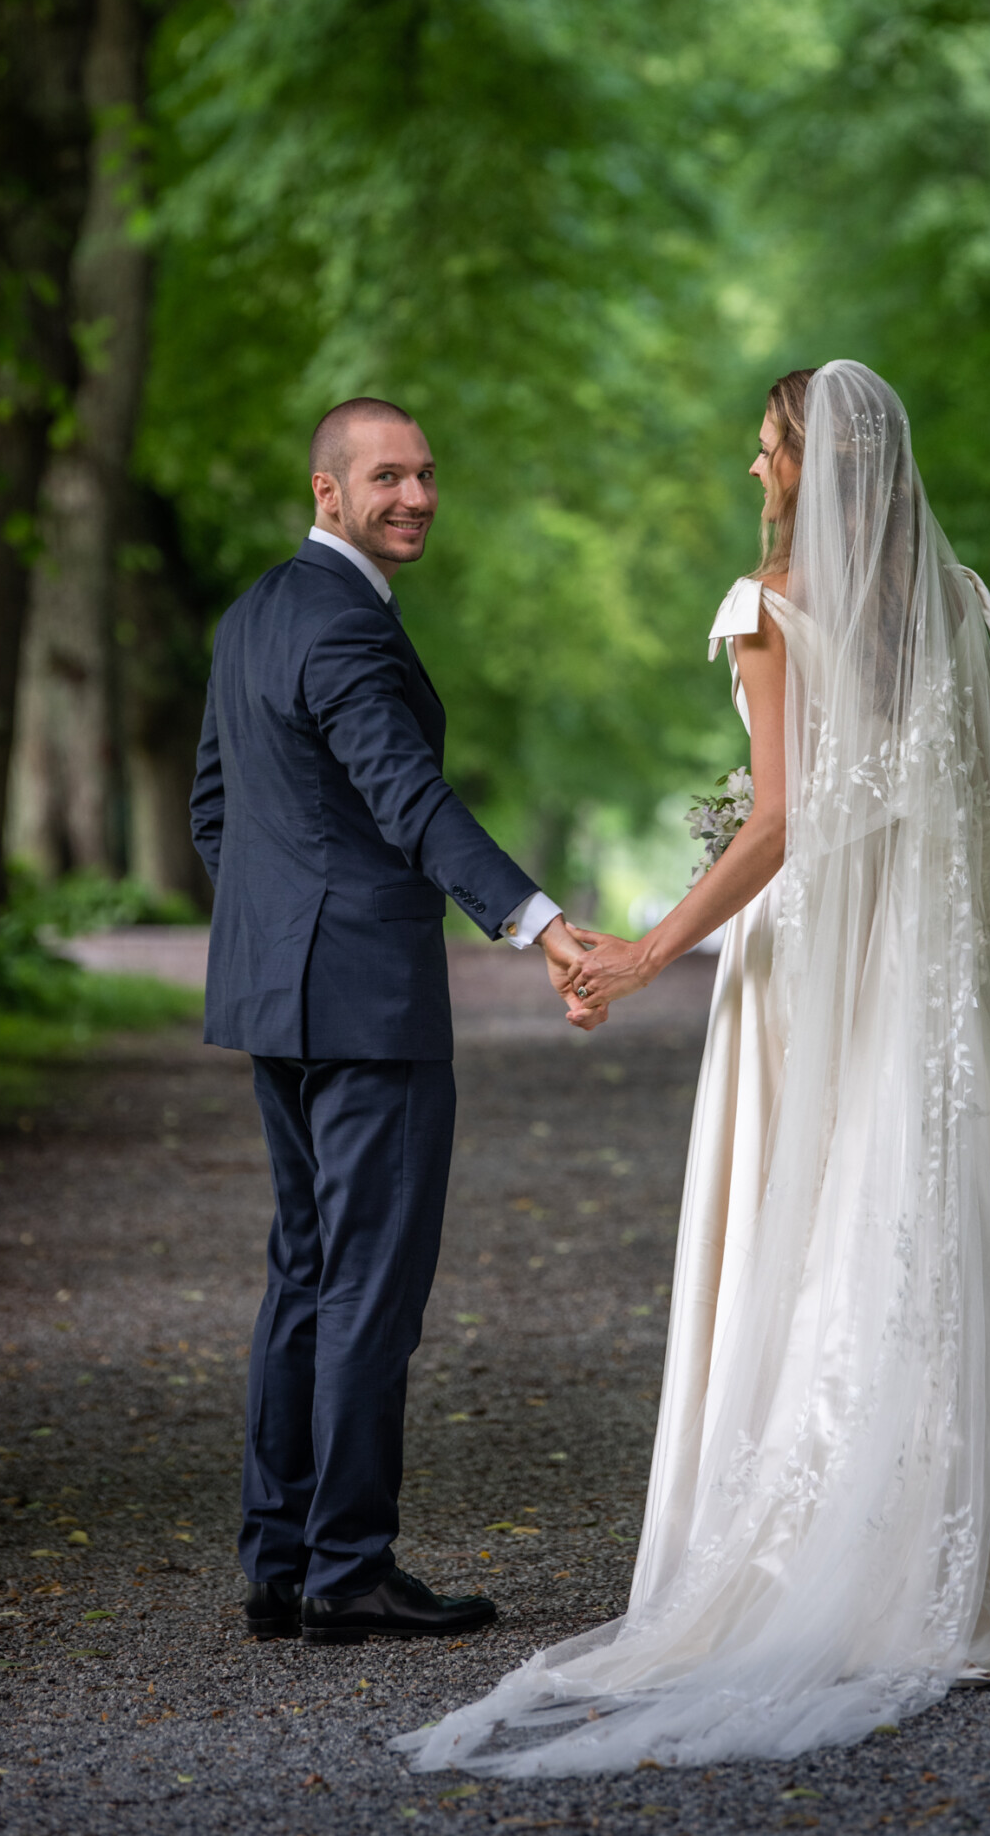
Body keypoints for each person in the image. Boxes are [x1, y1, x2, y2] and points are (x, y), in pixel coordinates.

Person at [396, 361, 990, 1775]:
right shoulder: (947, 603)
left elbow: (775, 823)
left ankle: (818, 1564)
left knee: (807, 1224)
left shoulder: (766, 608)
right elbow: (952, 802)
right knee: (939, 1227)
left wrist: (643, 951)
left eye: (765, 456)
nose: (755, 478)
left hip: (804, 962)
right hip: (913, 972)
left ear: (810, 466)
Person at [190, 397, 592, 1648]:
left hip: (278, 995)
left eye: (426, 475)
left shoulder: (256, 614)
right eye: (386, 478)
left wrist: (283, 924)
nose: (415, 496)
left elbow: (217, 811)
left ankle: (279, 1560)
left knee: (305, 1272)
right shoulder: (348, 627)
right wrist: (533, 920)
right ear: (327, 493)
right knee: (368, 1285)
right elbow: (409, 796)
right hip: (365, 1003)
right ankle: (349, 1568)